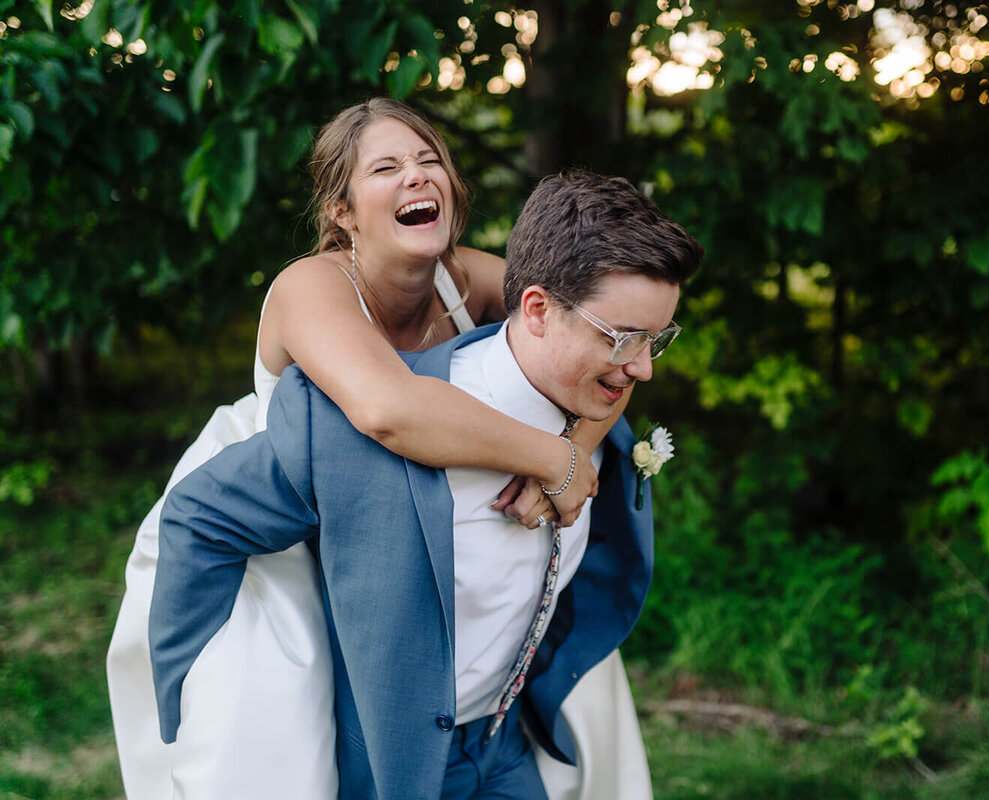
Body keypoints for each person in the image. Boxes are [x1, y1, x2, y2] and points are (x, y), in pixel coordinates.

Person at [106, 101, 659, 798]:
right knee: (285, 732)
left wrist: (581, 436)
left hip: (416, 502)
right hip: (279, 518)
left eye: (430, 162)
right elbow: (386, 410)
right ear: (341, 210)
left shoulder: (473, 279)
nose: (416, 178)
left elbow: (604, 337)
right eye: (388, 168)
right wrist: (556, 461)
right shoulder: (312, 285)